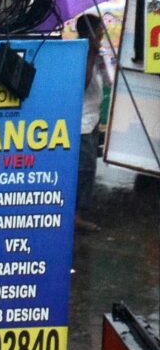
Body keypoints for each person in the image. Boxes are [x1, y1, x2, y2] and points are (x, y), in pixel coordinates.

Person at [76, 12, 112, 228]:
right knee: (84, 169)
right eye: (98, 33)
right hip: (81, 122)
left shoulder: (97, 54)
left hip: (93, 118)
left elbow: (108, 81)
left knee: (89, 167)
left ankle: (79, 212)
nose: (100, 37)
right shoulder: (80, 54)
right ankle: (75, 216)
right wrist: (91, 54)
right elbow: (83, 83)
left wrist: (102, 59)